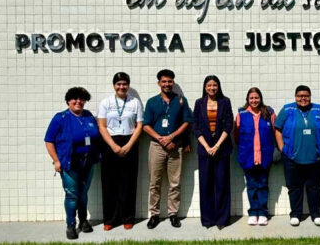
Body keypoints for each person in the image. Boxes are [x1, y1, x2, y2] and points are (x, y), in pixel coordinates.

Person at [44, 87, 101, 240]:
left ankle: (83, 221)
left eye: (82, 99)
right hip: (70, 163)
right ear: (68, 101)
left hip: (88, 161)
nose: (78, 101)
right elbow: (49, 140)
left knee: (83, 193)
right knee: (72, 194)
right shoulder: (60, 118)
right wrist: (56, 161)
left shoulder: (88, 116)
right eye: (74, 99)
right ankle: (70, 225)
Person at [142, 69, 193, 229]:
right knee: (154, 183)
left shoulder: (181, 100)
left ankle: (173, 214)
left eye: (170, 81)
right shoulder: (152, 102)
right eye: (164, 81)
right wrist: (161, 139)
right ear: (159, 83)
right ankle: (154, 214)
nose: (167, 84)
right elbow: (145, 125)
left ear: (173, 83)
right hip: (157, 146)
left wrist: (171, 137)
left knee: (175, 183)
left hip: (175, 147)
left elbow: (187, 122)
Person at [275, 85, 320, 226]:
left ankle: (316, 214)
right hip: (291, 157)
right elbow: (277, 129)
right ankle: (295, 214)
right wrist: (282, 148)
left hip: (315, 157)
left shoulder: (319, 109)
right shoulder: (287, 109)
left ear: (310, 97)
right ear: (295, 97)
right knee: (294, 187)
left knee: (314, 187)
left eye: (306, 96)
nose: (303, 98)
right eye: (300, 96)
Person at [97, 72, 143, 230]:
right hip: (110, 143)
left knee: (128, 182)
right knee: (109, 182)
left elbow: (139, 126)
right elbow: (102, 126)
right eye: (118, 84)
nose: (121, 87)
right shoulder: (106, 102)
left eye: (124, 84)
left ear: (128, 85)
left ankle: (127, 218)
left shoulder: (135, 102)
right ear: (114, 86)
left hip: (130, 142)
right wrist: (113, 145)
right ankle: (110, 220)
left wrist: (129, 145)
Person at [193, 75, 233, 228]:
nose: (212, 88)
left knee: (222, 185)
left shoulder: (225, 102)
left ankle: (222, 220)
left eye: (214, 85)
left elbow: (228, 125)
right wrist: (207, 146)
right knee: (206, 185)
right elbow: (195, 126)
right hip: (205, 150)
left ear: (218, 86)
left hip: (222, 149)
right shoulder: (199, 103)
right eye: (209, 85)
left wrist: (217, 146)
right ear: (205, 87)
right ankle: (208, 220)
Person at [234, 87, 276, 226]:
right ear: (247, 99)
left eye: (256, 97)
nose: (254, 100)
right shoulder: (241, 114)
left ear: (260, 98)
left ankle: (263, 213)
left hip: (265, 156)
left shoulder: (269, 113)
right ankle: (253, 213)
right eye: (251, 98)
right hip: (248, 156)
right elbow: (236, 136)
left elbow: (276, 132)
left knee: (263, 184)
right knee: (251, 185)